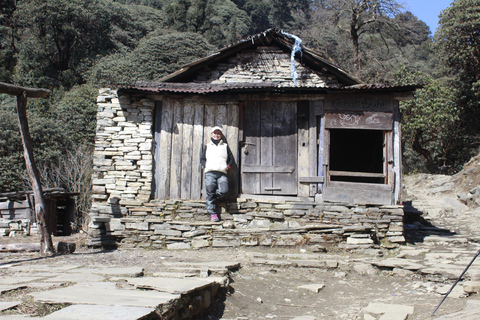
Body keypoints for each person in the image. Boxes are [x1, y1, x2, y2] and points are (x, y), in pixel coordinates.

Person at [200, 126, 234, 222]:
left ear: (221, 135)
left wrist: (228, 166)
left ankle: (214, 199)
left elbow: (231, 159)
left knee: (224, 190)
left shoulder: (225, 146)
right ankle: (213, 214)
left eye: (218, 133)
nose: (216, 135)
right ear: (212, 134)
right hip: (210, 172)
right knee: (210, 192)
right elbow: (202, 159)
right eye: (215, 133)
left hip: (222, 173)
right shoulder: (207, 146)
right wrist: (205, 165)